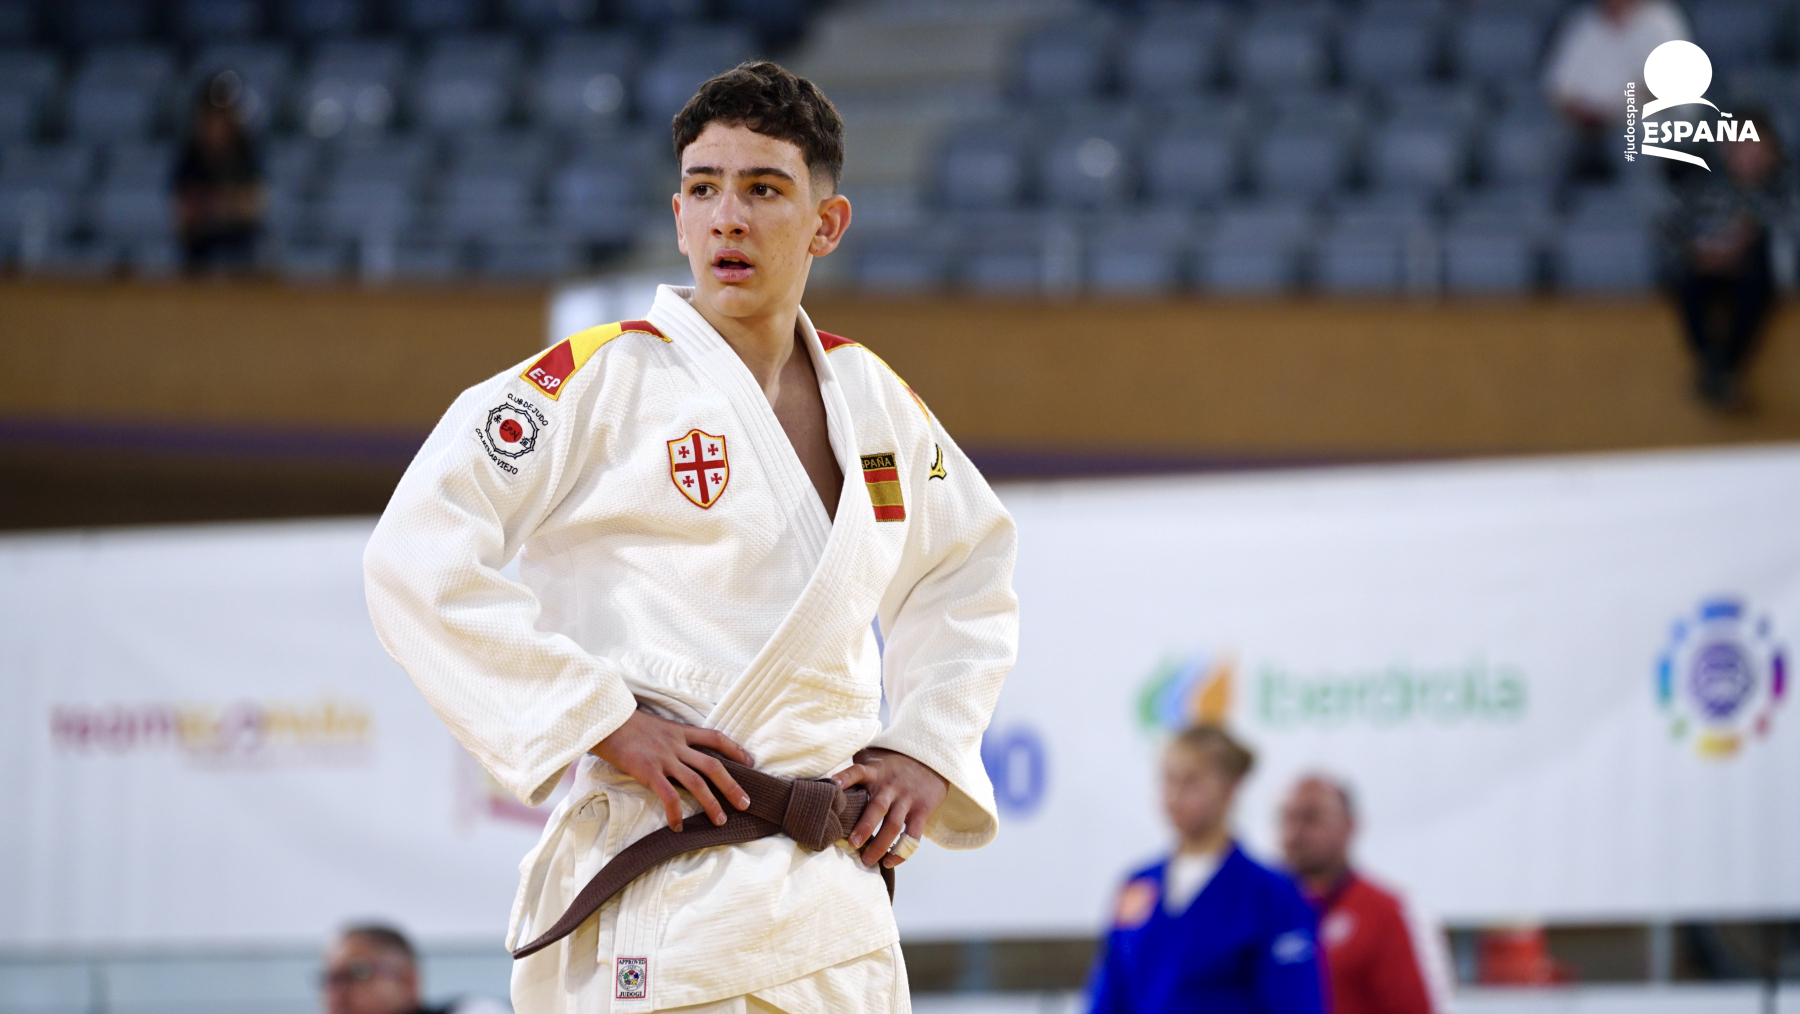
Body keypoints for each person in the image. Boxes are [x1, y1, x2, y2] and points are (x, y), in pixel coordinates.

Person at [363, 61, 1018, 1014]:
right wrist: (598, 719)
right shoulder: (598, 379)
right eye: (704, 190)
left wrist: (926, 742)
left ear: (826, 224)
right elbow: (415, 557)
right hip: (668, 880)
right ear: (677, 218)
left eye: (764, 190)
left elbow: (969, 568)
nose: (729, 219)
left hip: (834, 905)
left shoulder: (876, 400)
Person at [1087, 726, 1324, 1014]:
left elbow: (1296, 1003)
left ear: (1229, 788)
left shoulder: (1272, 895)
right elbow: (1110, 994)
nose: (1175, 796)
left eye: (1191, 782)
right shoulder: (1138, 887)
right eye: (1169, 780)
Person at [1280, 776, 1455, 1014]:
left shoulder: (1386, 912)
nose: (1295, 833)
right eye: (1288, 819)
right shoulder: (1264, 909)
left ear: (1349, 825)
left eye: (1312, 818)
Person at [1664, 106, 1796, 409]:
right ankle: (1716, 368)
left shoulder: (1788, 186)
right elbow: (1671, 232)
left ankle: (1721, 370)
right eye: (1736, 145)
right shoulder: (1706, 188)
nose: (1744, 153)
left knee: (1757, 271)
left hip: (1766, 275)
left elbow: (1788, 229)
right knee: (1690, 282)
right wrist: (1704, 251)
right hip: (1713, 272)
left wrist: (1747, 240)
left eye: (1752, 144)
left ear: (1771, 148)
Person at [1542, 0, 1689, 181]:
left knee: (1634, 137)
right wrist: (1582, 114)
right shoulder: (1584, 22)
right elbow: (1559, 88)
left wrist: (1616, 114)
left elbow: (1666, 87)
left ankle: (1643, 195)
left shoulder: (1661, 19)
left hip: (1650, 119)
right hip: (1588, 125)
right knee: (1543, 140)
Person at [174, 72, 265, 272]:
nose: (217, 124)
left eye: (223, 114)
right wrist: (226, 204)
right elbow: (183, 213)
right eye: (211, 115)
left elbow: (254, 207)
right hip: (198, 257)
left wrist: (214, 205)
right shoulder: (191, 153)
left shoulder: (246, 150)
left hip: (240, 256)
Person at [322, 924, 505, 1014]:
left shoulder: (472, 1009)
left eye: (358, 973)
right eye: (330, 979)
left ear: (407, 980)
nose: (337, 991)